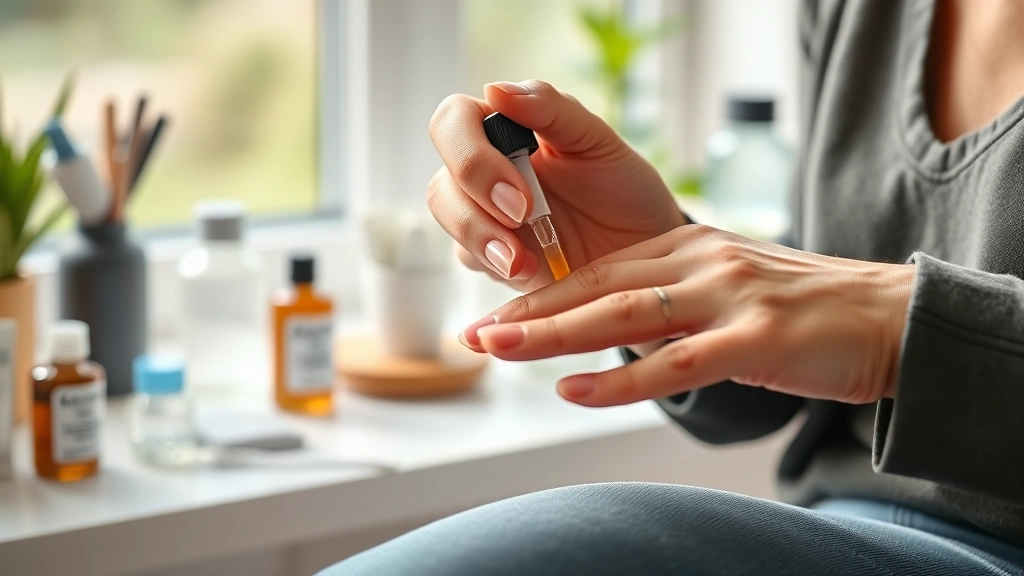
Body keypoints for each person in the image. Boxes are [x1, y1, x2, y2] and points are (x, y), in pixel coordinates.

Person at [321, 1, 1024, 574]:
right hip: (840, 531)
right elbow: (802, 387)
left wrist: (906, 328)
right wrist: (654, 258)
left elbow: (871, 322)